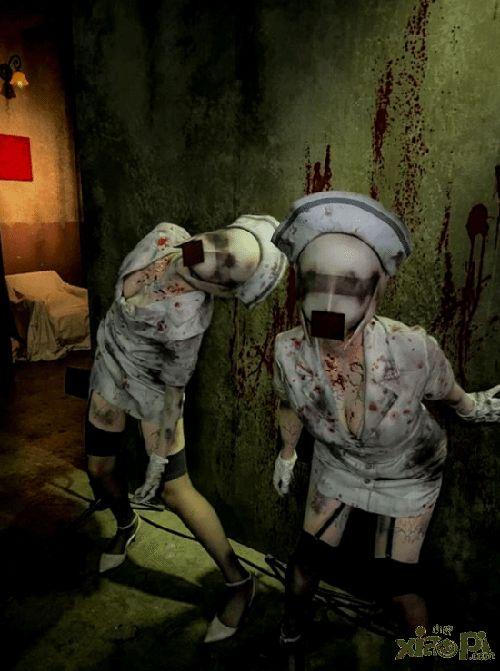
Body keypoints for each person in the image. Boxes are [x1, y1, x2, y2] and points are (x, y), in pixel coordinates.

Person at [270, 191, 500, 655]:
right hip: (338, 464)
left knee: (397, 584)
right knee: (306, 562)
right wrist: (287, 453)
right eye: (315, 282)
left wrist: (471, 407)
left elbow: (445, 389)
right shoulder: (289, 351)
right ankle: (291, 626)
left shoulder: (412, 351)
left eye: (347, 287)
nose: (328, 304)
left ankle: (422, 651)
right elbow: (288, 401)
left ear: (374, 293)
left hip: (407, 470)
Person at [85, 214, 287, 642]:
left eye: (226, 265)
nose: (212, 252)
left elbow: (174, 391)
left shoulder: (188, 319)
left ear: (222, 289)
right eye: (222, 241)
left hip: (155, 393)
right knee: (99, 469)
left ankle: (239, 581)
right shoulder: (166, 234)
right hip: (109, 367)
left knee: (175, 491)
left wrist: (158, 461)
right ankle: (126, 524)